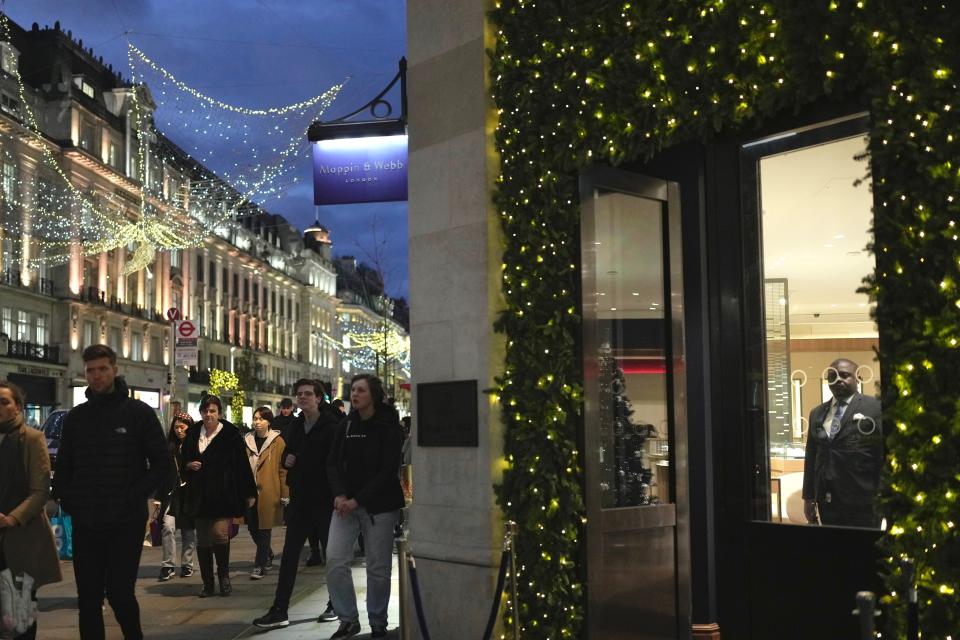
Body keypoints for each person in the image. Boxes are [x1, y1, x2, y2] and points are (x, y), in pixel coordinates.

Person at [52, 344, 169, 640]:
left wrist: (135, 494)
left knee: (120, 594)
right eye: (91, 370)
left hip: (125, 521)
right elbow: (64, 464)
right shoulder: (77, 417)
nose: (96, 376)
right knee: (88, 599)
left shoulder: (138, 413)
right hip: (86, 521)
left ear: (115, 370)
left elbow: (161, 463)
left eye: (102, 369)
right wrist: (68, 499)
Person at [253, 379, 345, 630]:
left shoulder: (332, 425)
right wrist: (288, 459)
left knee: (332, 556)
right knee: (290, 556)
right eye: (299, 394)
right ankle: (280, 609)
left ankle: (335, 603)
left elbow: (336, 460)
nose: (302, 398)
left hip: (325, 500)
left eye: (307, 394)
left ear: (318, 398)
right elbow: (287, 455)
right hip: (301, 499)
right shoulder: (295, 425)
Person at [325, 374, 405, 639]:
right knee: (335, 560)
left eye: (360, 390)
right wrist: (339, 495)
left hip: (379, 506)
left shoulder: (389, 427)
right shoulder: (346, 425)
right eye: (353, 390)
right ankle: (347, 618)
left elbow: (387, 471)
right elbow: (333, 463)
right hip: (344, 504)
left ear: (374, 395)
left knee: (378, 567)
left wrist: (357, 500)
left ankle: (378, 621)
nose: (354, 395)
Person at [0, 381, 62, 640]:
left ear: (18, 408)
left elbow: (40, 490)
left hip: (21, 538)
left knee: (21, 614)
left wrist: (12, 518)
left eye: (4, 402)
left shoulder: (33, 439)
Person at [181, 395, 257, 597]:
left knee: (219, 534)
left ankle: (224, 577)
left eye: (212, 411)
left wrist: (249, 492)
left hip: (223, 494)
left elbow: (242, 465)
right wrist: (188, 465)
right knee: (203, 540)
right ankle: (208, 583)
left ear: (219, 413)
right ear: (201, 413)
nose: (209, 415)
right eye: (205, 411)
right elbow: (183, 460)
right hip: (199, 495)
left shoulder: (230, 434)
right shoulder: (194, 433)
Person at [802, 358, 883, 528]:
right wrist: (809, 497)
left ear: (857, 378)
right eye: (832, 376)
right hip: (827, 500)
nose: (838, 379)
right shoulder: (817, 413)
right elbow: (811, 455)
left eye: (844, 375)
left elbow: (883, 453)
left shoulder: (875, 408)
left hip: (864, 500)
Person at [244, 406, 288, 579]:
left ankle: (259, 565)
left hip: (270, 491)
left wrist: (285, 493)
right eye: (255, 418)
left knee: (264, 529)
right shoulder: (248, 440)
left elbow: (283, 470)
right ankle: (267, 554)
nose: (257, 422)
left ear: (269, 421)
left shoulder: (278, 442)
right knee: (252, 527)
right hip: (250, 491)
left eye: (261, 419)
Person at [155, 412, 196, 581]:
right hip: (171, 495)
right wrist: (158, 498)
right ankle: (168, 565)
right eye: (176, 427)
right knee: (168, 527)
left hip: (189, 494)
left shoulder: (195, 446)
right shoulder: (168, 447)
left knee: (188, 531)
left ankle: (187, 564)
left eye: (183, 427)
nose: (179, 430)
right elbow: (162, 474)